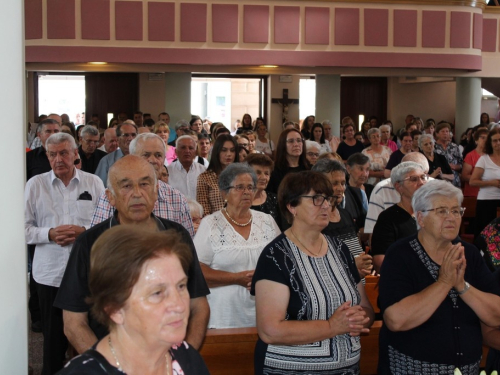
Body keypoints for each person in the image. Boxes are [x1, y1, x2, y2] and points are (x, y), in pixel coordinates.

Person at [54, 156, 210, 355]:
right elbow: (74, 323)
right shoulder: (89, 244)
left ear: (156, 191)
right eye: (126, 186)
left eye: (144, 184)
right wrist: (109, 367)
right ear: (110, 197)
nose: (137, 194)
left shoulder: (177, 235)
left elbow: (199, 306)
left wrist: (183, 359)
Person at [251, 171, 374, 374]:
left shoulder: (341, 250)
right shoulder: (275, 256)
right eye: (316, 199)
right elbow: (270, 330)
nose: (326, 205)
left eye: (327, 198)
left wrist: (359, 318)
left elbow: (365, 307)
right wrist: (331, 326)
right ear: (292, 206)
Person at [378, 180, 500, 374]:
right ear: (420, 218)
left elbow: (496, 316)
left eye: (455, 211)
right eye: (442, 211)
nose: (451, 217)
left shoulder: (469, 253)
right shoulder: (400, 254)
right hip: (412, 369)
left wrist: (462, 287)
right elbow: (396, 320)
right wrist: (444, 283)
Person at [56, 226, 210, 375]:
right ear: (115, 309)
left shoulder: (187, 358)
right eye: (157, 293)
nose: (179, 305)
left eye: (181, 286)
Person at [25, 133, 104, 374]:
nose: (58, 159)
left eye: (63, 153)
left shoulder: (93, 183)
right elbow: (23, 229)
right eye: (52, 154)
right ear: (47, 156)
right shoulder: (35, 185)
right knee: (53, 344)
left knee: (90, 339)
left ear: (75, 154)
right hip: (50, 275)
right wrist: (49, 234)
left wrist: (84, 232)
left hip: (87, 276)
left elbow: (107, 226)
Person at [194, 164, 280, 329]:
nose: (247, 192)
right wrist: (237, 278)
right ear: (224, 193)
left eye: (250, 187)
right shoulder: (210, 224)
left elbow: (282, 262)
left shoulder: (267, 221)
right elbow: (197, 272)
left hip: (265, 313)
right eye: (239, 187)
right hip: (224, 317)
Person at [90, 133, 195, 237]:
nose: (153, 160)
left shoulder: (177, 198)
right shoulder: (112, 195)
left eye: (158, 155)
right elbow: (96, 239)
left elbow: (186, 245)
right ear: (132, 158)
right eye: (146, 155)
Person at [312, 159, 373, 278]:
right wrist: (352, 266)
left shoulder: (345, 214)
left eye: (343, 183)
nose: (340, 188)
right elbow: (317, 264)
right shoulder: (315, 221)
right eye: (334, 183)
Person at [371, 162, 428, 273]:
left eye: (423, 177)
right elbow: (380, 261)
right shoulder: (387, 219)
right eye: (414, 179)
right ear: (398, 186)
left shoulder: (432, 213)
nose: (421, 183)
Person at [196, 134, 238, 216]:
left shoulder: (242, 176)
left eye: (232, 150)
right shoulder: (205, 177)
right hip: (215, 224)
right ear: (217, 152)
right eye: (224, 150)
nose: (228, 154)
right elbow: (204, 211)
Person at [470, 127, 500, 238]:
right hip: (486, 201)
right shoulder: (484, 159)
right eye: (495, 140)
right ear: (490, 143)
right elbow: (472, 181)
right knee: (486, 236)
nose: (498, 143)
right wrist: (491, 183)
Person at [95, 121, 138, 186]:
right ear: (118, 139)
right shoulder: (107, 161)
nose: (130, 138)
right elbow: (99, 187)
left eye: (133, 135)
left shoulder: (142, 158)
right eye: (126, 135)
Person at [267, 128, 308, 194]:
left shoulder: (309, 168)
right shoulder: (274, 171)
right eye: (291, 141)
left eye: (299, 140)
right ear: (283, 145)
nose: (296, 144)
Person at [246, 153, 281, 229]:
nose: (263, 177)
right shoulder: (236, 200)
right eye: (258, 173)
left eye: (266, 173)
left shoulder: (275, 200)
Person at [167, 135, 206, 200]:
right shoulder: (168, 172)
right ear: (176, 152)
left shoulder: (203, 171)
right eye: (183, 148)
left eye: (191, 148)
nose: (187, 151)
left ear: (195, 152)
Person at [434, 122, 463, 187]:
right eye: (443, 131)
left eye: (447, 131)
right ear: (437, 134)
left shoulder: (455, 147)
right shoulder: (433, 147)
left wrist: (455, 166)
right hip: (440, 181)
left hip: (454, 181)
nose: (445, 133)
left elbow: (461, 163)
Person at [462, 128, 488, 197]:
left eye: (488, 138)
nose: (486, 140)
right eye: (483, 138)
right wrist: (485, 178)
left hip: (489, 193)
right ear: (476, 140)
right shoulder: (470, 155)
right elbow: (464, 176)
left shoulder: (492, 155)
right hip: (473, 194)